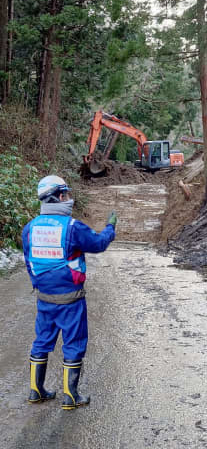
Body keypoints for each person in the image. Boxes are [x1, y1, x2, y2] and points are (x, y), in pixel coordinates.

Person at [22, 175, 117, 410]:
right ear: (58, 196)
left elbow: (28, 262)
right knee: (74, 343)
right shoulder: (72, 227)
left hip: (44, 299)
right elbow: (98, 244)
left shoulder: (29, 228)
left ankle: (36, 391)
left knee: (42, 341)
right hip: (71, 300)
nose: (69, 198)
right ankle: (70, 396)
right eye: (66, 194)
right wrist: (110, 227)